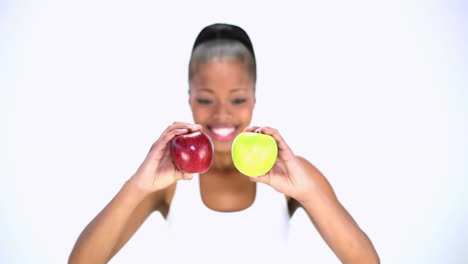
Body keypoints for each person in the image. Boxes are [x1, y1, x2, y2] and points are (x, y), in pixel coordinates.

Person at [68, 23, 380, 264]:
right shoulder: (170, 180)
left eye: (238, 99)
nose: (221, 114)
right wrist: (137, 184)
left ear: (255, 98)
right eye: (205, 99)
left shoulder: (290, 174)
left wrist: (308, 192)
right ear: (189, 98)